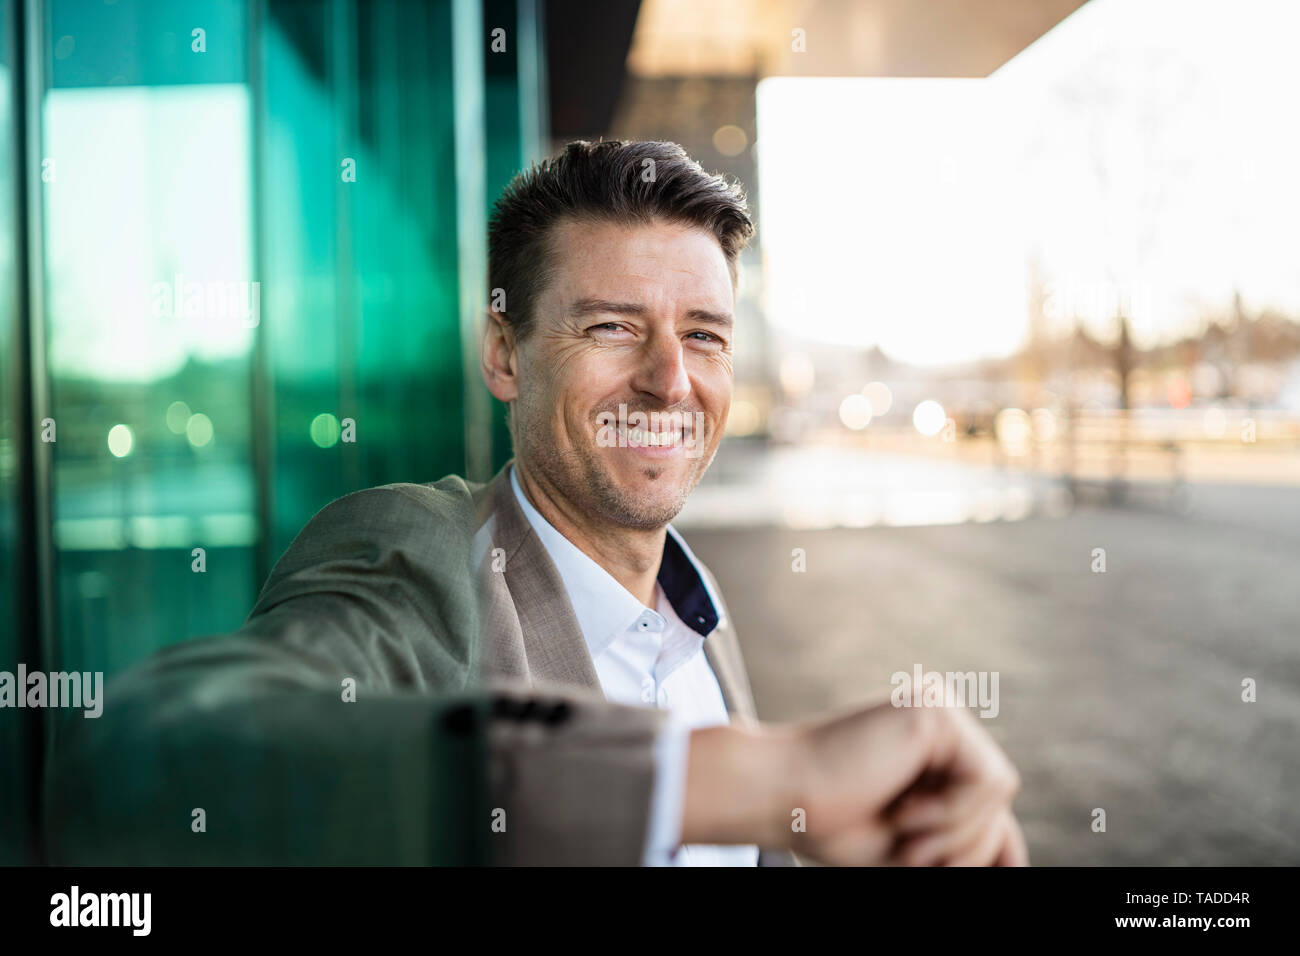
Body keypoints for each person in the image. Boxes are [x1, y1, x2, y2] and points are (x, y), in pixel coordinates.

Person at [44, 140, 1026, 867]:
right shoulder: (419, 552)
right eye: (611, 325)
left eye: (706, 334)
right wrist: (752, 778)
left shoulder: (697, 615)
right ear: (504, 352)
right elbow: (150, 758)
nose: (669, 380)